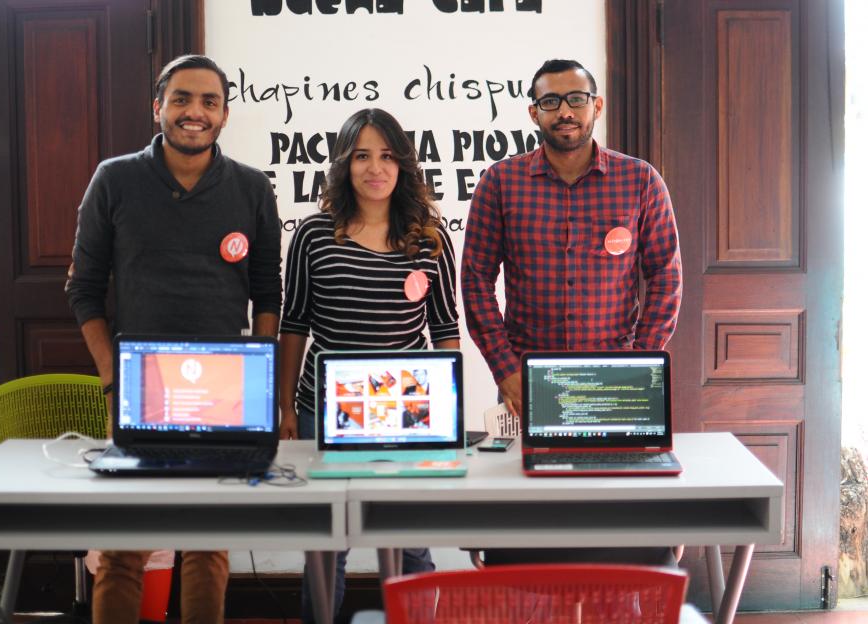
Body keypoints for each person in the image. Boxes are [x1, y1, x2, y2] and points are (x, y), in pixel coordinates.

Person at [65, 54, 281, 624]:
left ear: (226, 115)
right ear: (157, 107)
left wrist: (260, 386)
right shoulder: (115, 179)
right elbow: (83, 290)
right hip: (138, 389)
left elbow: (267, 294)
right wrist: (112, 378)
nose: (195, 112)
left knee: (208, 549)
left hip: (225, 394)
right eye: (182, 99)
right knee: (123, 551)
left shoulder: (252, 189)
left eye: (209, 101)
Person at [461, 59, 682, 566]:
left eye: (576, 99)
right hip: (526, 383)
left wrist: (639, 369)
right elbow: (475, 279)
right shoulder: (501, 182)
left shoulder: (640, 181)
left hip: (615, 382)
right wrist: (506, 370)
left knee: (622, 530)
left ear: (596, 105)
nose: (565, 111)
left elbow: (666, 276)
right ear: (533, 113)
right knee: (525, 532)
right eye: (551, 102)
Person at [278, 108, 459, 621]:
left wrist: (444, 414)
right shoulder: (314, 234)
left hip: (407, 417)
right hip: (323, 413)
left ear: (403, 166)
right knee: (325, 545)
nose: (374, 168)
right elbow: (294, 324)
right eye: (361, 156)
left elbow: (445, 330)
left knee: (410, 542)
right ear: (343, 164)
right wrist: (286, 406)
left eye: (386, 156)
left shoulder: (428, 238)